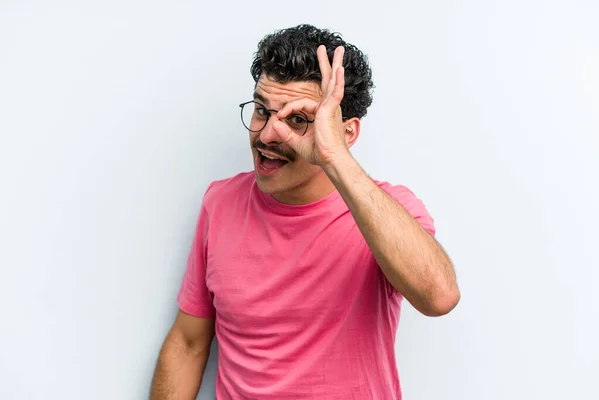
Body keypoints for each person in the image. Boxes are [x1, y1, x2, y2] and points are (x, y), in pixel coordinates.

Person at [150, 24, 460, 400]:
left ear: (345, 133)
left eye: (298, 120)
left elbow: (439, 297)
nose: (267, 135)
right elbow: (188, 343)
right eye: (263, 111)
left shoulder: (387, 211)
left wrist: (333, 158)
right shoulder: (220, 203)